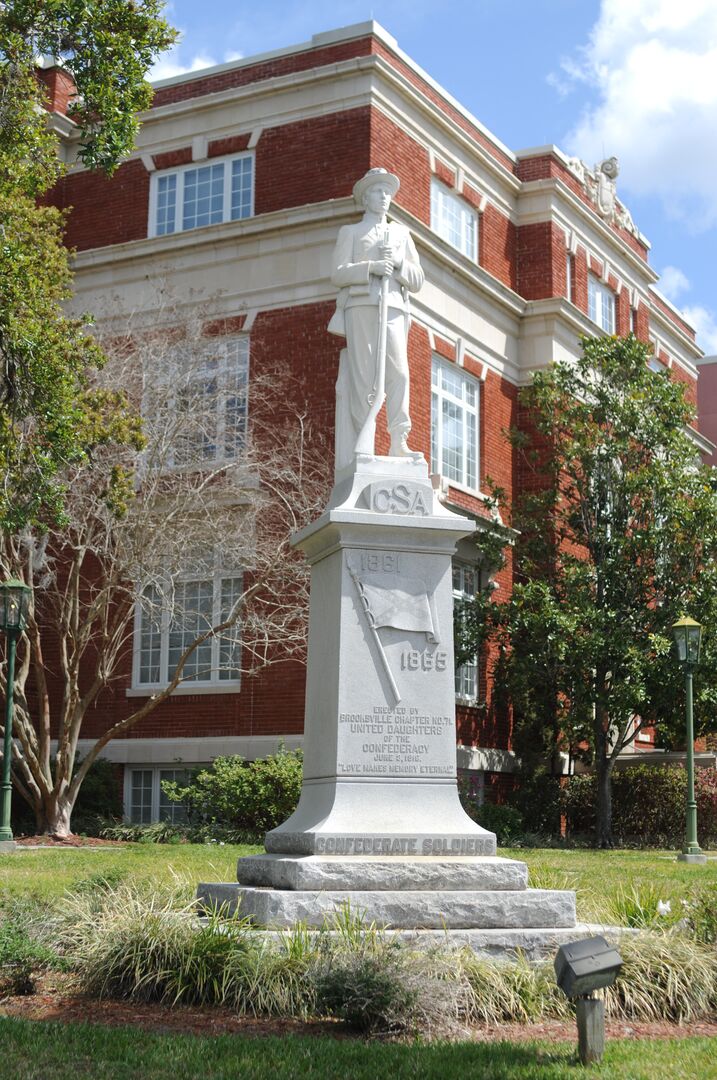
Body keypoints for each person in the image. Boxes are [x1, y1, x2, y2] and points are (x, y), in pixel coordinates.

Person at [328, 168, 424, 470]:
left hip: (394, 306)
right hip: (361, 306)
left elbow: (418, 279)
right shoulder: (351, 233)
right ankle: (363, 439)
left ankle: (399, 439)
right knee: (363, 376)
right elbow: (338, 273)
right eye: (378, 192)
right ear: (366, 198)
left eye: (387, 192)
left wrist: (396, 263)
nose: (384, 197)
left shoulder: (401, 234)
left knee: (400, 374)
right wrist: (370, 267)